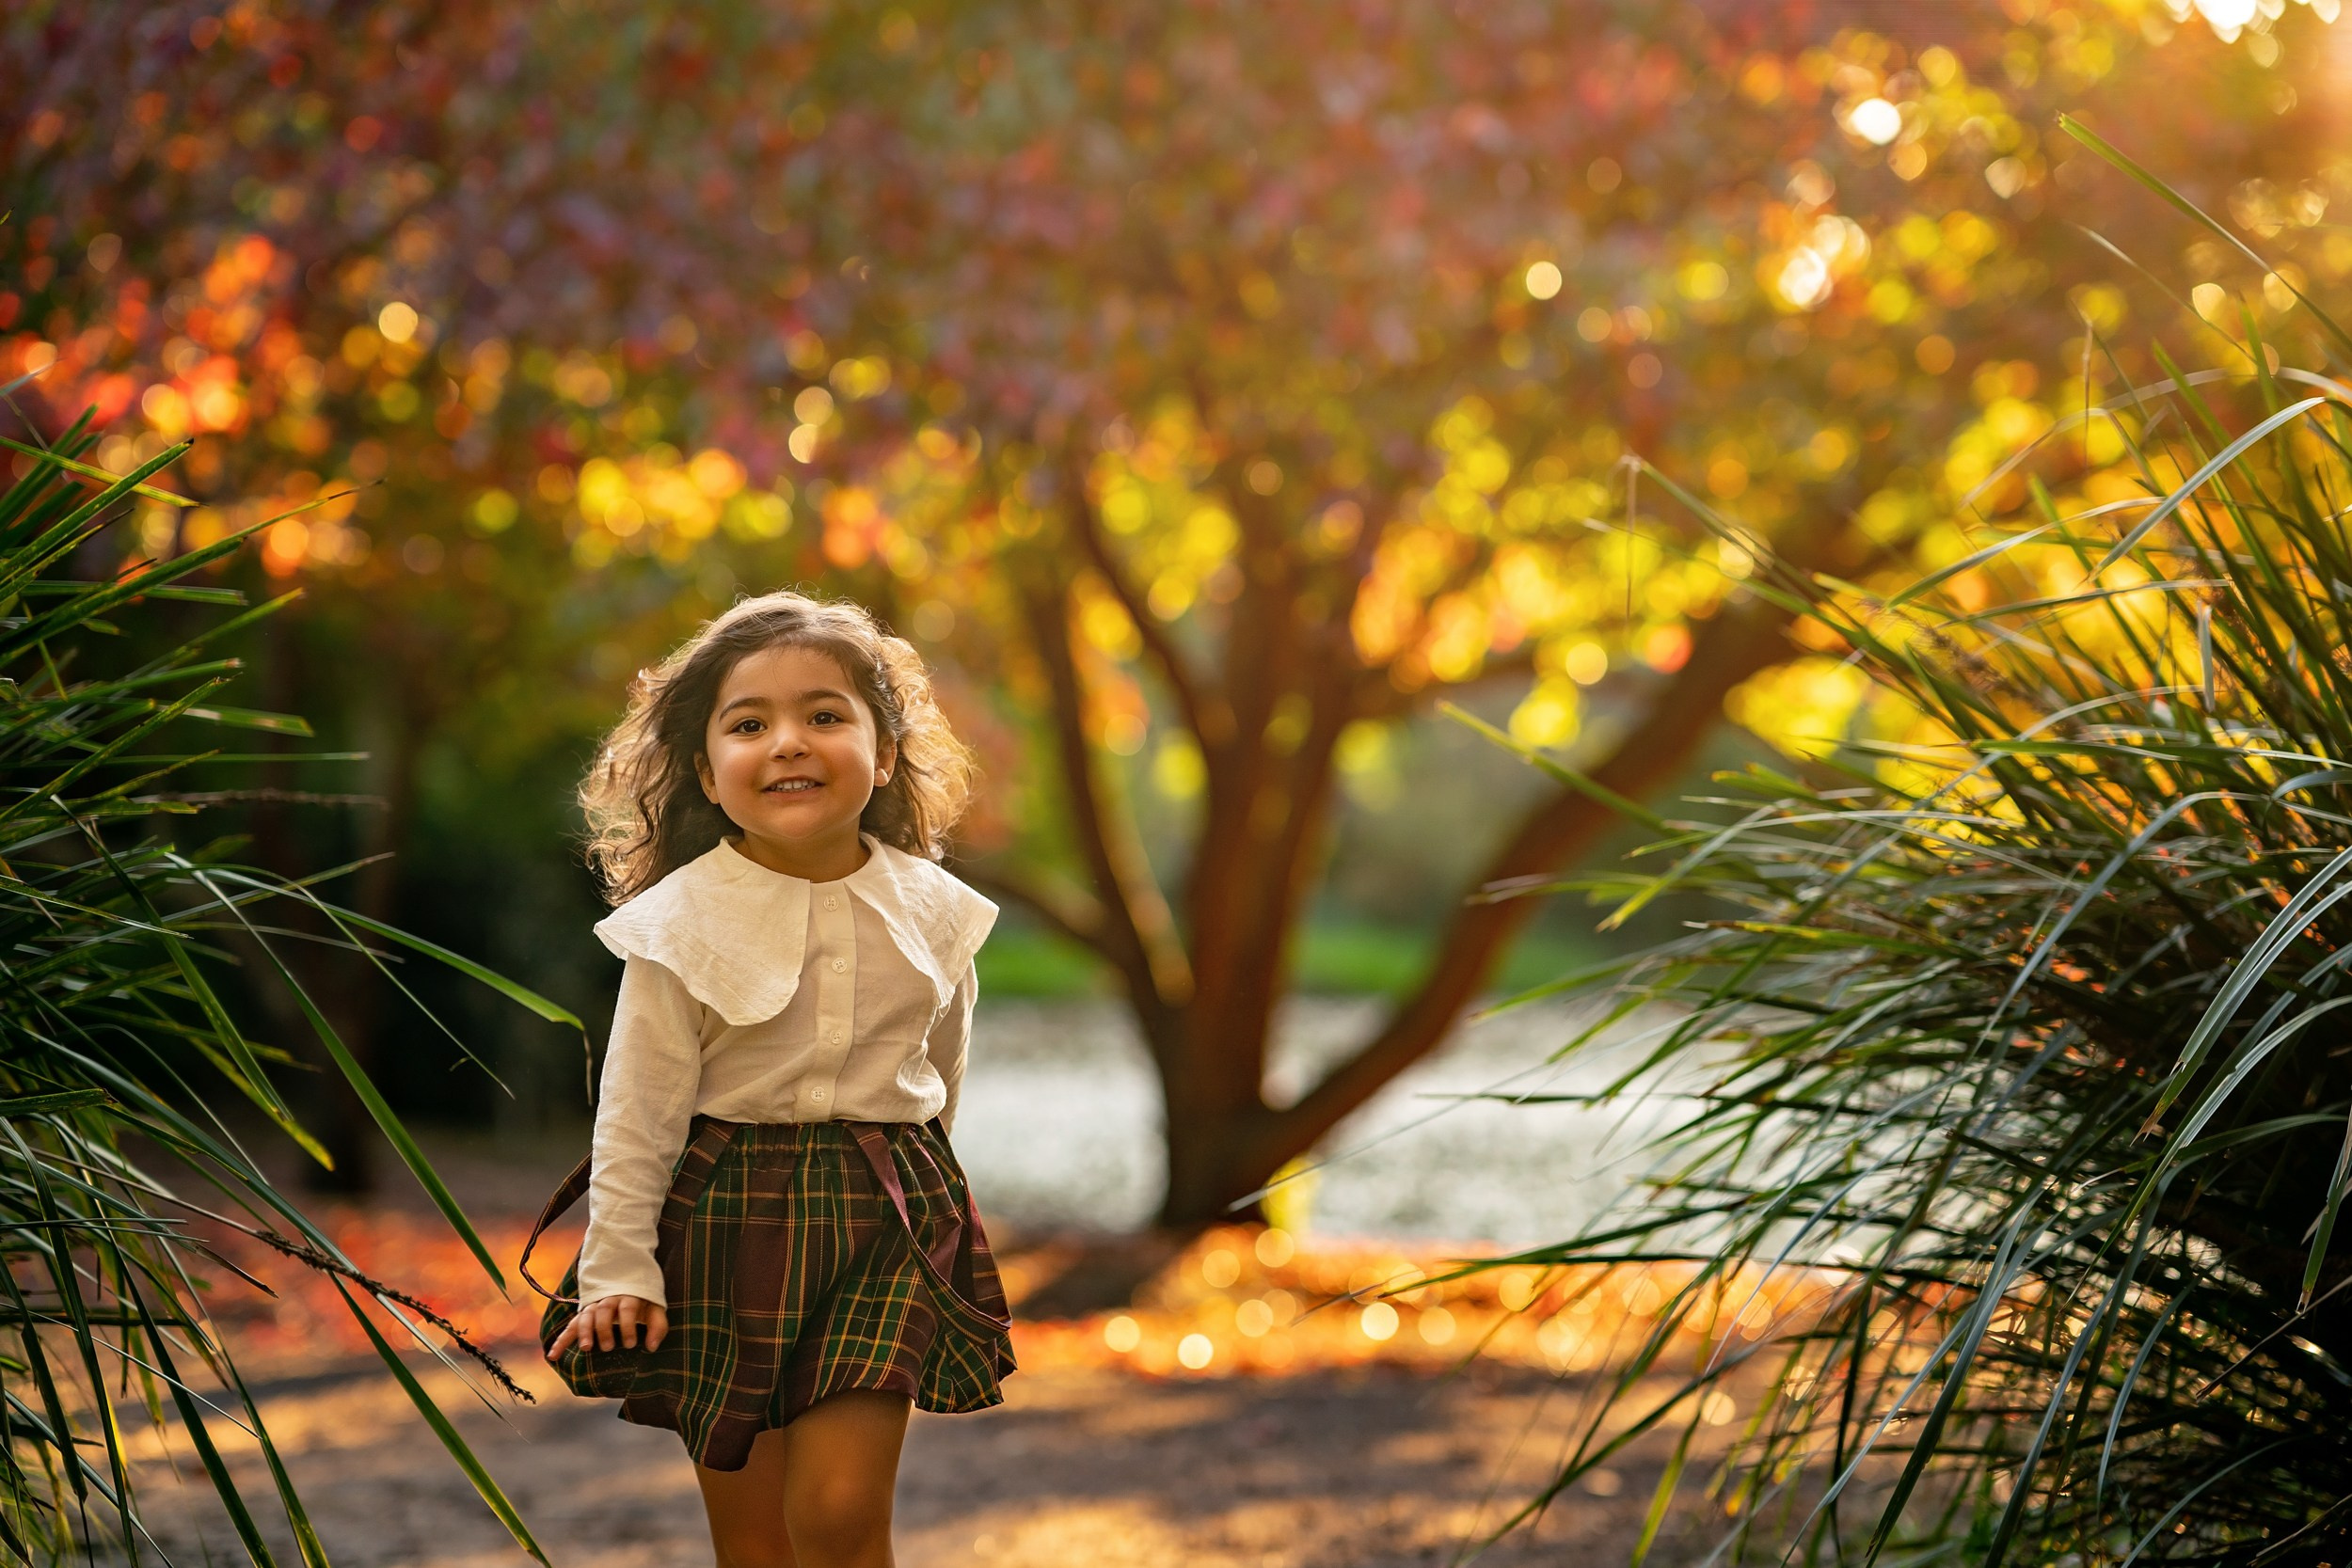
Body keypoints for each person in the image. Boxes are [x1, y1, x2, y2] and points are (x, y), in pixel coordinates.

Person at [531, 590, 1014, 1568]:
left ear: (882, 754)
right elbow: (637, 1110)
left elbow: (939, 1073)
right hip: (720, 1221)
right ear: (709, 774)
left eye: (824, 714)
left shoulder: (936, 913)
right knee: (756, 1541)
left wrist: (937, 1207)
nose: (788, 741)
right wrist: (618, 1265)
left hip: (883, 1218)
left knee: (837, 1514)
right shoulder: (681, 925)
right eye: (750, 723)